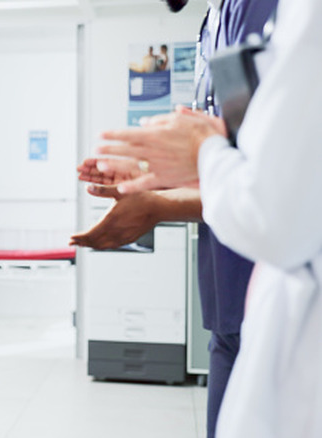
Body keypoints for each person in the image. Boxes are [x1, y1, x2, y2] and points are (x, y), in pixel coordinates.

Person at [89, 0, 322, 436]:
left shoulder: (268, 9)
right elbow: (237, 157)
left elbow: (277, 199)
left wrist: (167, 194)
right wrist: (151, 177)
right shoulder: (211, 21)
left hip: (271, 279)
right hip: (228, 283)